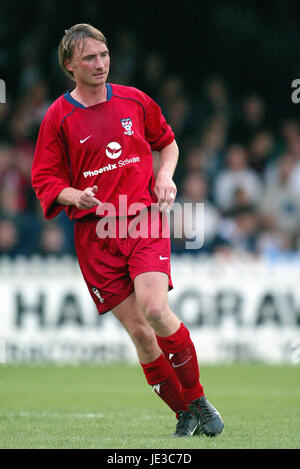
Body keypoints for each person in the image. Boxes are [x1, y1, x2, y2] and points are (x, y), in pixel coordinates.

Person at [31, 23, 224, 438]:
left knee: (155, 310)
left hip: (141, 220)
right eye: (89, 58)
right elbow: (44, 179)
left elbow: (167, 142)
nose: (100, 64)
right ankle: (184, 411)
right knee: (140, 334)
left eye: (103, 55)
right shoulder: (57, 117)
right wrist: (72, 196)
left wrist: (166, 177)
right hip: (94, 236)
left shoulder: (135, 100)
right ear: (70, 66)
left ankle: (199, 399)